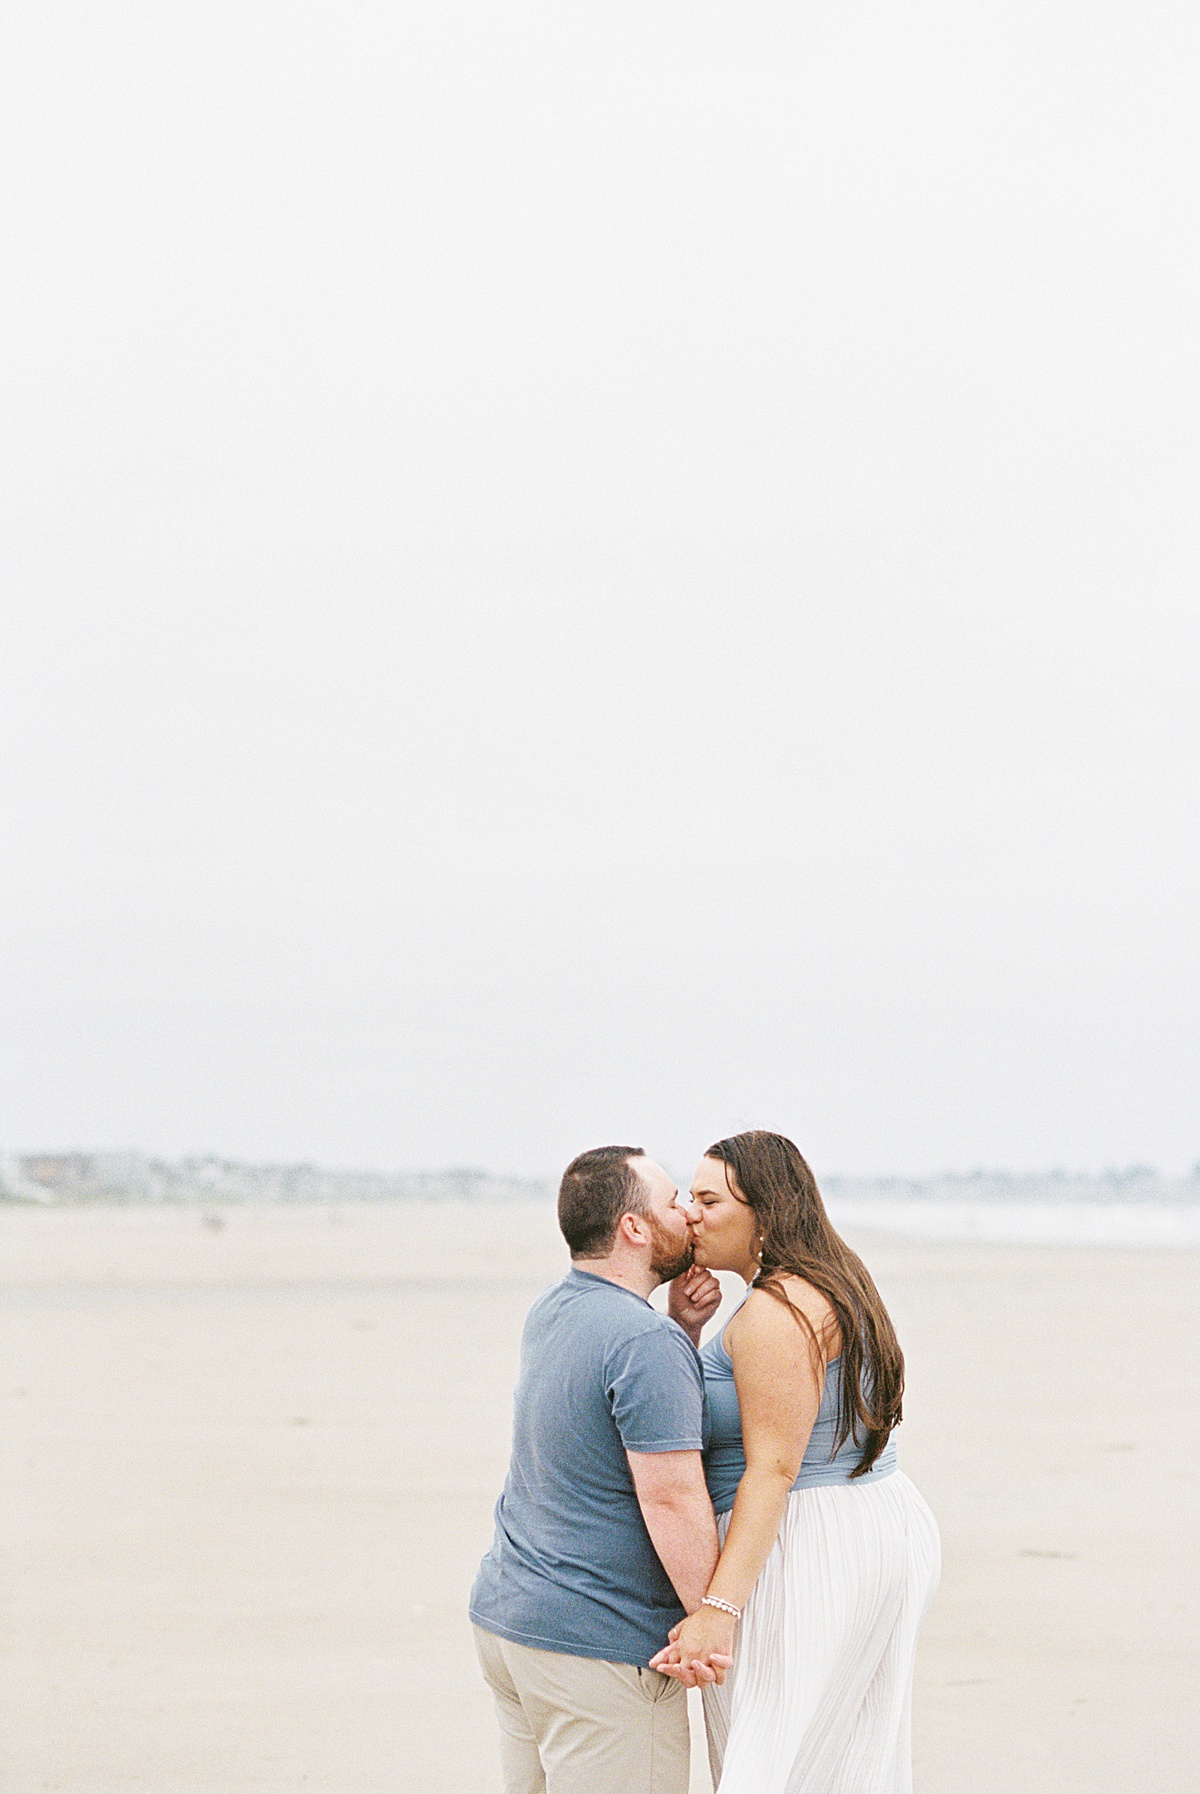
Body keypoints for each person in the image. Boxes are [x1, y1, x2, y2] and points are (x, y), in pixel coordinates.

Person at [652, 1131, 941, 1793]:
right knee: (844, 1759)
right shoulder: (834, 1280)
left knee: (769, 1760)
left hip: (811, 1539)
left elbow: (774, 1470)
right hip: (874, 1515)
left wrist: (718, 1607)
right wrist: (690, 1334)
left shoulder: (774, 1313)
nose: (692, 1213)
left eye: (708, 1199)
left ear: (766, 1214)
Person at [469, 1144, 725, 1794]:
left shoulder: (557, 1308)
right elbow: (670, 1497)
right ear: (633, 1228)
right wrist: (711, 1618)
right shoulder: (642, 1341)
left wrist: (683, 1336)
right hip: (595, 1645)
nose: (687, 1215)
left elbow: (601, 1432)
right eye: (671, 1201)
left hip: (513, 1625)